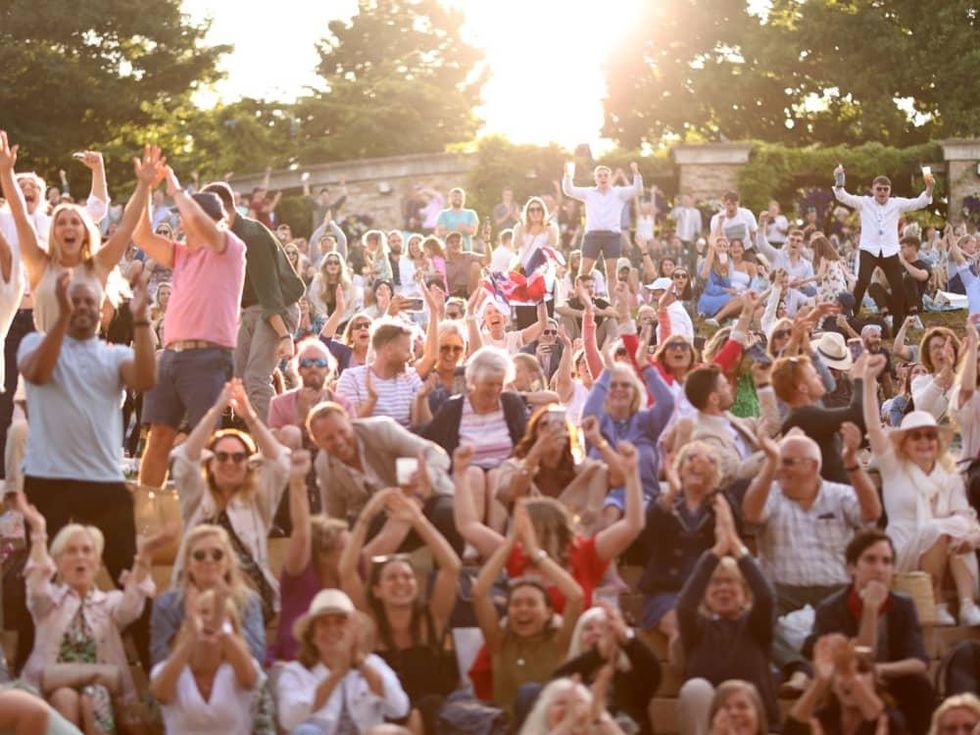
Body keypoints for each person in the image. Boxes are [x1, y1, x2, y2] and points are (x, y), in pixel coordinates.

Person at [741, 429, 881, 693]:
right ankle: (798, 668)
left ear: (813, 465)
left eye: (787, 462)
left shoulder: (839, 494)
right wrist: (770, 463)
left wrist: (851, 462)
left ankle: (816, 668)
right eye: (779, 461)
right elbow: (750, 514)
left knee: (858, 610)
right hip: (780, 591)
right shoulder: (769, 492)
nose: (781, 469)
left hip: (835, 589)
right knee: (750, 616)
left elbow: (871, 513)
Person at [133, 168, 247, 488]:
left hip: (209, 356)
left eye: (184, 216)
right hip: (170, 357)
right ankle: (147, 515)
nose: (180, 222)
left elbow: (200, 224)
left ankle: (210, 516)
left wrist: (176, 190)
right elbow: (141, 235)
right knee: (158, 437)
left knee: (206, 442)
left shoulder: (230, 247)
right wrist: (143, 187)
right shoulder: (181, 254)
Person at [17, 492, 166, 734]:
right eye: (72, 551)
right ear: (58, 562)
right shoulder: (47, 602)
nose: (81, 557)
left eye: (87, 551)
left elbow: (133, 604)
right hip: (50, 691)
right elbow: (36, 582)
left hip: (101, 693)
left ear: (98, 563)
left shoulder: (109, 604)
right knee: (66, 697)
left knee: (93, 696)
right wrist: (39, 532)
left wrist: (145, 556)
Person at [861, 353, 980, 626]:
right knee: (941, 528)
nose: (924, 441)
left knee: (954, 527)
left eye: (930, 436)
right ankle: (936, 601)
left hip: (947, 549)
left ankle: (965, 604)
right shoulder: (894, 468)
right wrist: (868, 383)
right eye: (917, 436)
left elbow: (966, 516)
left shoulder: (948, 477)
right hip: (903, 550)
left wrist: (971, 537)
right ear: (905, 443)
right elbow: (872, 429)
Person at [339, 490, 461, 731]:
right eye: (392, 578)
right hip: (384, 721)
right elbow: (347, 572)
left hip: (434, 720)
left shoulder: (432, 618)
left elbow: (451, 568)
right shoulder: (370, 624)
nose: (401, 582)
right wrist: (366, 516)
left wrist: (418, 519)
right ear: (377, 590)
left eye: (407, 577)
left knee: (431, 706)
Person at [170, 379, 289, 621]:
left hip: (248, 590)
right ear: (211, 463)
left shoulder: (257, 499)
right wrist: (216, 411)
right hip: (198, 585)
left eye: (238, 457)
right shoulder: (196, 496)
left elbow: (279, 463)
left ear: (248, 464)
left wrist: (249, 415)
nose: (230, 463)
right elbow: (184, 460)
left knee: (235, 594)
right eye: (222, 457)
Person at [805, 530, 932, 735]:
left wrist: (879, 670)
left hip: (891, 682)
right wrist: (870, 610)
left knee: (919, 687)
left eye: (887, 561)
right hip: (844, 685)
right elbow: (860, 660)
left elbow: (919, 662)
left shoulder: (903, 605)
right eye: (871, 560)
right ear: (852, 568)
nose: (880, 569)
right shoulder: (830, 608)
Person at [471, 498, 585, 718]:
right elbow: (479, 593)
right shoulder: (499, 642)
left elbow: (576, 597)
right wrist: (512, 541)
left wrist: (536, 553)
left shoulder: (560, 642)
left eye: (532, 603)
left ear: (549, 612)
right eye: (516, 604)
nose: (523, 609)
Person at [675, 495, 778, 735]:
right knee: (695, 689)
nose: (723, 589)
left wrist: (736, 546)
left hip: (755, 727)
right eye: (715, 584)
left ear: (744, 593)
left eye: (730, 583)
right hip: (711, 728)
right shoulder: (698, 629)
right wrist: (717, 551)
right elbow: (684, 606)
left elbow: (766, 598)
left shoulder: (755, 627)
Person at [306, 401, 461, 551]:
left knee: (448, 514)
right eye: (329, 438)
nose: (339, 441)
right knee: (356, 537)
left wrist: (427, 474)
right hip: (383, 517)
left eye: (342, 431)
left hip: (426, 498)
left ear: (350, 423)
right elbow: (334, 519)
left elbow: (436, 453)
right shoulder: (323, 465)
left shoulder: (381, 429)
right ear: (316, 442)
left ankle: (454, 575)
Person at [275, 590, 410, 734]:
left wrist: (361, 663)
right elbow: (289, 720)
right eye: (323, 624)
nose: (332, 630)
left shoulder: (373, 664)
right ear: (312, 636)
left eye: (340, 622)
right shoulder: (296, 671)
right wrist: (336, 674)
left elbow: (399, 708)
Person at [423, 346, 527, 530]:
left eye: (499, 384)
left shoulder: (511, 404)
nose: (495, 390)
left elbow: (526, 440)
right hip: (466, 473)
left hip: (504, 472)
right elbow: (428, 438)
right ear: (473, 381)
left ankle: (493, 540)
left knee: (497, 475)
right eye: (489, 384)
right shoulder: (453, 408)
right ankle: (473, 543)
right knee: (474, 473)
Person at [149, 587, 263, 735]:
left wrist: (222, 630)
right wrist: (191, 637)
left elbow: (249, 681)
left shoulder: (243, 666)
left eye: (218, 614)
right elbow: (161, 695)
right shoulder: (167, 669)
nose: (209, 619)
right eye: (203, 612)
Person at [150, 524, 266, 669]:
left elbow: (257, 656)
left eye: (217, 555)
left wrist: (223, 618)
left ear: (229, 562)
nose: (208, 560)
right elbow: (159, 661)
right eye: (199, 556)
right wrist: (191, 621)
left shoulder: (249, 601)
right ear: (188, 565)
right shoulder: (166, 604)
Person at [832, 164, 934, 326]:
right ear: (873, 189)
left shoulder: (896, 203)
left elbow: (919, 202)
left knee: (899, 287)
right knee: (862, 282)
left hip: (890, 250)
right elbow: (844, 196)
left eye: (885, 189)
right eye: (879, 189)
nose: (882, 193)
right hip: (869, 250)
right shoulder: (865, 202)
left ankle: (899, 327)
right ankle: (851, 318)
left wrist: (929, 188)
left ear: (889, 191)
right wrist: (839, 180)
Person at [582, 345, 675, 511]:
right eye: (612, 385)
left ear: (635, 392)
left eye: (625, 385)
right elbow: (589, 412)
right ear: (604, 390)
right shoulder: (598, 424)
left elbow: (667, 403)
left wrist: (644, 365)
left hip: (646, 504)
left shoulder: (646, 422)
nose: (618, 389)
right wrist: (607, 370)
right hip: (600, 504)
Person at [495, 405, 615, 534]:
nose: (552, 430)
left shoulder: (584, 469)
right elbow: (513, 493)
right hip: (528, 545)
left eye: (560, 424)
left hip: (574, 545)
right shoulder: (513, 466)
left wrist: (598, 440)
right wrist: (537, 450)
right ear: (534, 434)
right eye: (544, 425)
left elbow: (620, 477)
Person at [552, 604, 660, 734]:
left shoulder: (632, 680)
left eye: (606, 628)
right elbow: (555, 684)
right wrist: (598, 654)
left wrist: (626, 637)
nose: (596, 633)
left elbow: (652, 669)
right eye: (588, 628)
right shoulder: (571, 678)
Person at [770, 354, 866, 483]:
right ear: (802, 387)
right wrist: (859, 378)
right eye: (814, 376)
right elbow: (857, 414)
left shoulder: (802, 416)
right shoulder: (803, 417)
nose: (820, 377)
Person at [685, 362, 779, 490]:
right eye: (725, 386)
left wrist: (763, 384)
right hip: (741, 499)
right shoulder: (704, 436)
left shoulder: (729, 418)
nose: (730, 387)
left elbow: (771, 425)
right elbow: (736, 473)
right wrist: (776, 451)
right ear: (714, 399)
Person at [787, 634, 901, 735]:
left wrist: (855, 682)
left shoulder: (891, 717)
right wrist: (819, 682)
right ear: (833, 686)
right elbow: (791, 730)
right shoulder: (823, 718)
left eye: (861, 670)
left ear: (875, 682)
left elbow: (888, 724)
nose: (849, 679)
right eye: (841, 672)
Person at [335, 319, 426, 429]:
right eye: (407, 350)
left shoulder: (410, 376)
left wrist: (421, 399)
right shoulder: (351, 377)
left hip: (405, 443)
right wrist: (372, 400)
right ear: (389, 350)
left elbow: (421, 428)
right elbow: (350, 427)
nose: (412, 357)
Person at [562, 161, 642, 281]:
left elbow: (637, 190)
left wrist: (636, 172)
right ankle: (579, 298)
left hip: (612, 236)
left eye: (605, 175)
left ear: (610, 178)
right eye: (600, 175)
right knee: (584, 271)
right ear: (595, 179)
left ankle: (613, 300)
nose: (603, 178)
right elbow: (569, 190)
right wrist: (568, 175)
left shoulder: (618, 193)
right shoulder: (589, 193)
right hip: (592, 236)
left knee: (611, 273)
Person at [266, 338, 353, 436]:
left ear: (328, 369)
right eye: (307, 363)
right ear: (298, 369)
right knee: (290, 433)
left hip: (333, 451)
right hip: (293, 450)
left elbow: (352, 442)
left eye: (320, 362)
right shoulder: (279, 404)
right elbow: (273, 445)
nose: (313, 367)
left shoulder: (343, 405)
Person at [912, 326, 961, 422]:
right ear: (928, 355)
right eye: (936, 347)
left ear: (954, 350)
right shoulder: (920, 381)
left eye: (946, 345)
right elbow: (921, 407)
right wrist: (945, 370)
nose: (942, 351)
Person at [435, 187, 479, 252]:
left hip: (466, 251)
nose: (458, 198)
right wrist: (456, 232)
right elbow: (439, 232)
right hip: (447, 251)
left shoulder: (471, 213)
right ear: (449, 199)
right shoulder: (443, 214)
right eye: (455, 196)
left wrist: (465, 229)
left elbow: (473, 232)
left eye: (460, 196)